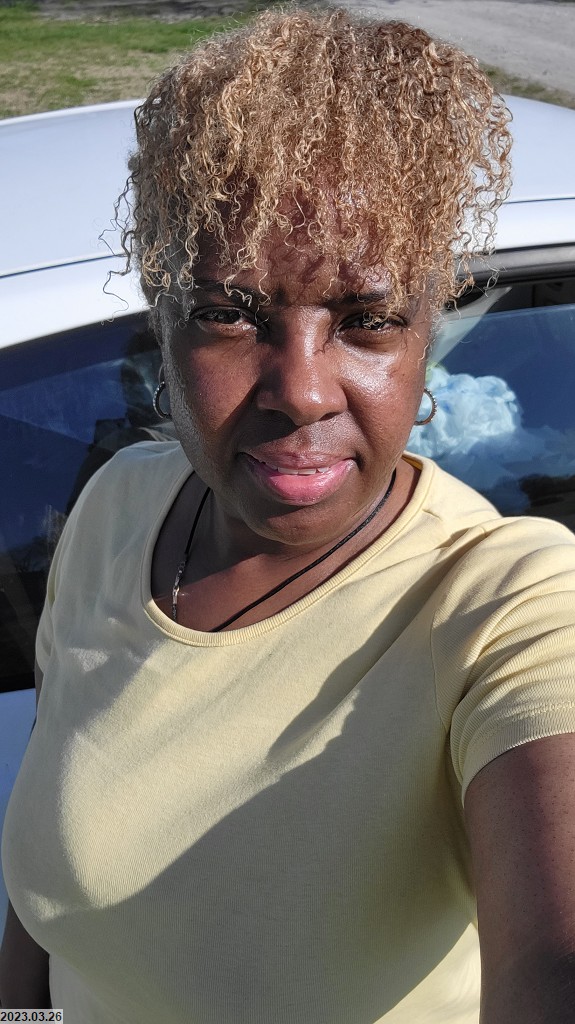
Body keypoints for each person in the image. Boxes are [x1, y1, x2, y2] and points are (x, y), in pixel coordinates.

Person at [2, 7, 575, 1022]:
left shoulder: (504, 602)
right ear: (162, 320)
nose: (302, 392)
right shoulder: (117, 507)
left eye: (367, 320)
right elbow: (44, 891)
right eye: (227, 315)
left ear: (426, 331)